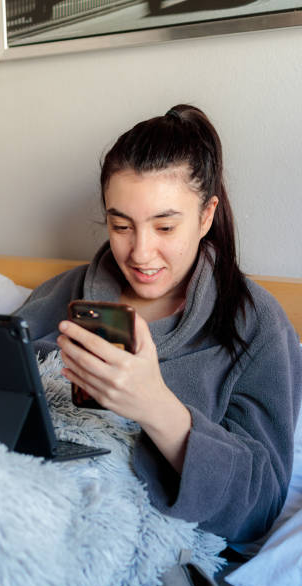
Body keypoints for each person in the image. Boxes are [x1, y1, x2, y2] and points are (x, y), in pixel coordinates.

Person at [17, 104, 302, 544]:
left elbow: (259, 509)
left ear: (206, 215)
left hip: (128, 537)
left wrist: (155, 405)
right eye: (121, 225)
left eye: (165, 227)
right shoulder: (65, 292)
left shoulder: (258, 326)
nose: (141, 252)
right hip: (25, 495)